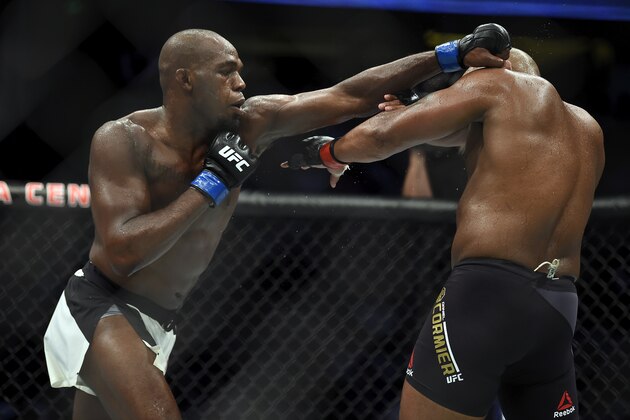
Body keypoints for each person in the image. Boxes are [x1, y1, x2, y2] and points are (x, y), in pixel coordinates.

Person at [42, 26, 510, 419]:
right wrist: (210, 185)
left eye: (241, 72)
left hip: (161, 319)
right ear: (185, 80)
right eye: (227, 72)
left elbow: (349, 96)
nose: (241, 84)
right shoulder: (124, 141)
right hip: (105, 305)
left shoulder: (252, 124)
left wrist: (448, 54)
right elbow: (122, 252)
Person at [286, 48, 604, 419]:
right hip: (558, 306)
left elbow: (380, 139)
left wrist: (330, 153)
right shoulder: (585, 127)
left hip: (487, 295)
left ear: (490, 72)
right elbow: (465, 134)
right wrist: (416, 111)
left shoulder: (498, 84)